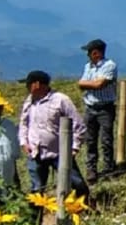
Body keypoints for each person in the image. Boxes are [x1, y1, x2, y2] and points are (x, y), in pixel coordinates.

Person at [17, 70, 89, 198]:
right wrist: (24, 142)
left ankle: (84, 208)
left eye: (29, 84)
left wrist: (74, 147)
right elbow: (24, 123)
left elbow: (78, 124)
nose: (27, 88)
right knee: (37, 189)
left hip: (59, 152)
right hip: (36, 152)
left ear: (37, 84)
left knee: (76, 183)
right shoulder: (29, 101)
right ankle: (37, 215)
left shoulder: (60, 100)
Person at [77, 38, 118, 181]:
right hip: (90, 107)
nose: (88, 55)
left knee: (106, 140)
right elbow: (81, 83)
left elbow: (99, 84)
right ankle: (91, 169)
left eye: (89, 52)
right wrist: (91, 84)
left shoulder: (110, 65)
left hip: (105, 108)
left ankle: (108, 168)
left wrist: (90, 84)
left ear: (96, 53)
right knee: (90, 140)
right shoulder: (88, 66)